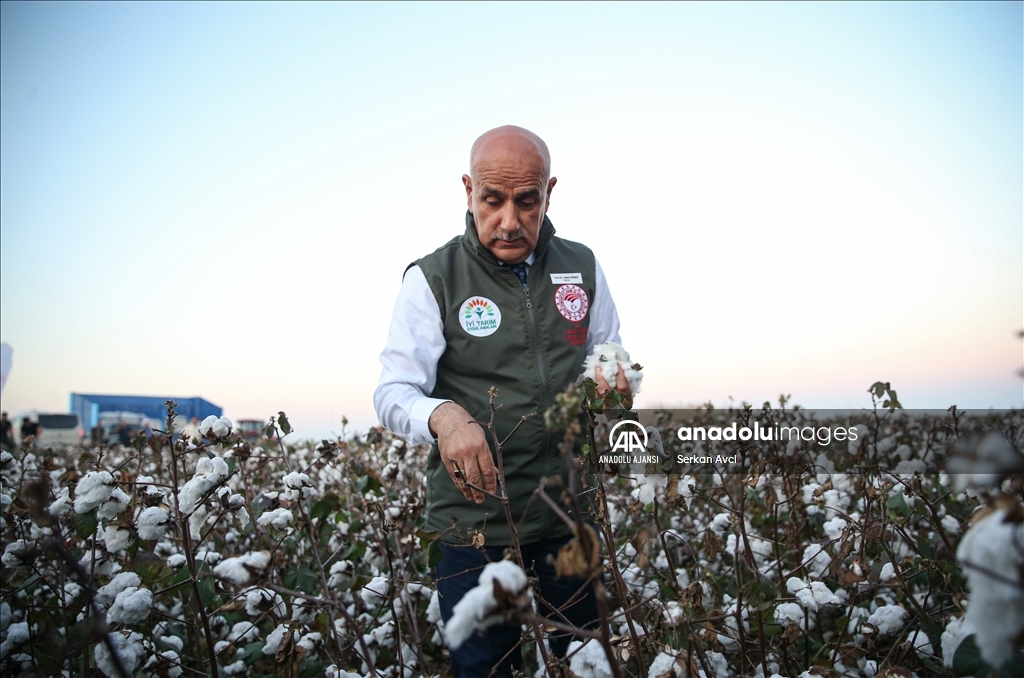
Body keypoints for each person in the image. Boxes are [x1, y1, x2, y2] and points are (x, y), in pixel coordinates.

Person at [374, 126, 632, 678]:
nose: (509, 220)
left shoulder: (582, 266)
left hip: (571, 513)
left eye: (526, 200)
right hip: (476, 526)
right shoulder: (433, 279)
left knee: (585, 661)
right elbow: (394, 392)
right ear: (468, 191)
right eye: (492, 200)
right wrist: (443, 416)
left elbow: (609, 355)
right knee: (489, 671)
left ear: (549, 192)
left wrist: (616, 381)